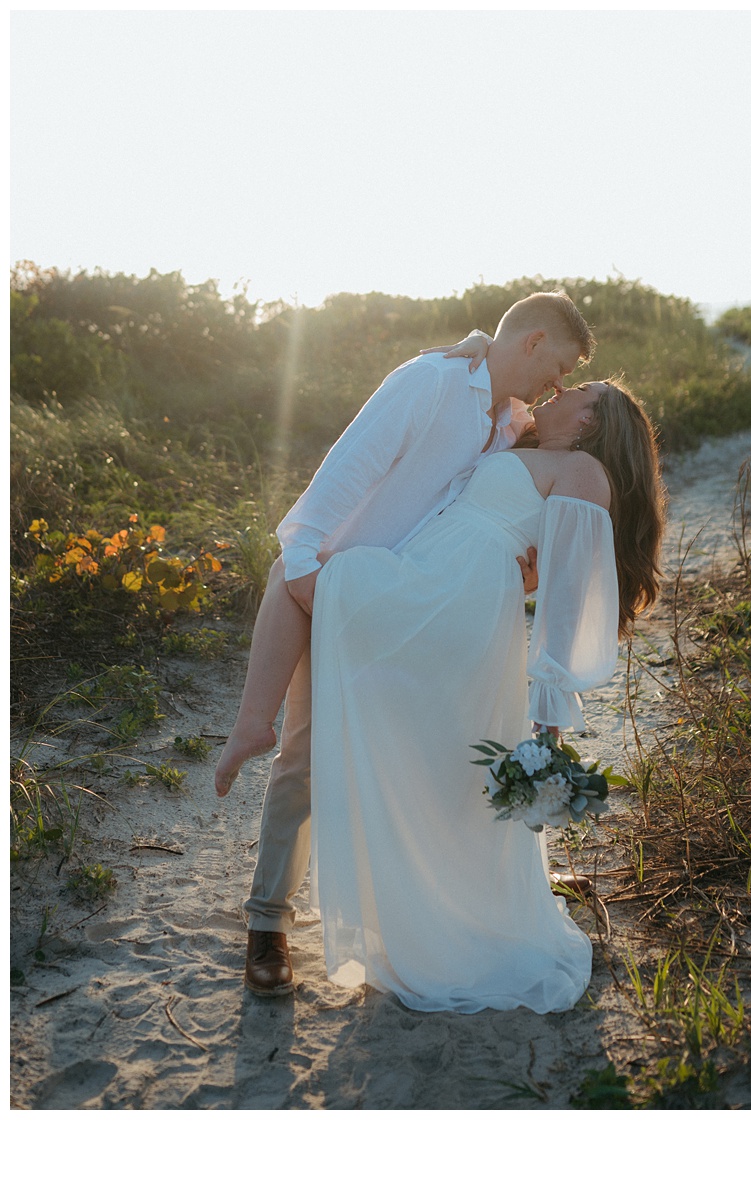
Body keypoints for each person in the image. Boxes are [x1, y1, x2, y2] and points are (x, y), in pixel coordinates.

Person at [215, 291, 596, 996]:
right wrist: (302, 565)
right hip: (343, 587)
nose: (559, 385)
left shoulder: (509, 424)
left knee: (414, 749)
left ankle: (430, 909)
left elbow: (481, 513)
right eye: (561, 367)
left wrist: (520, 563)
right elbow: (350, 466)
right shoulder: (432, 381)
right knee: (304, 754)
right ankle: (267, 924)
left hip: (410, 606)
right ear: (535, 340)